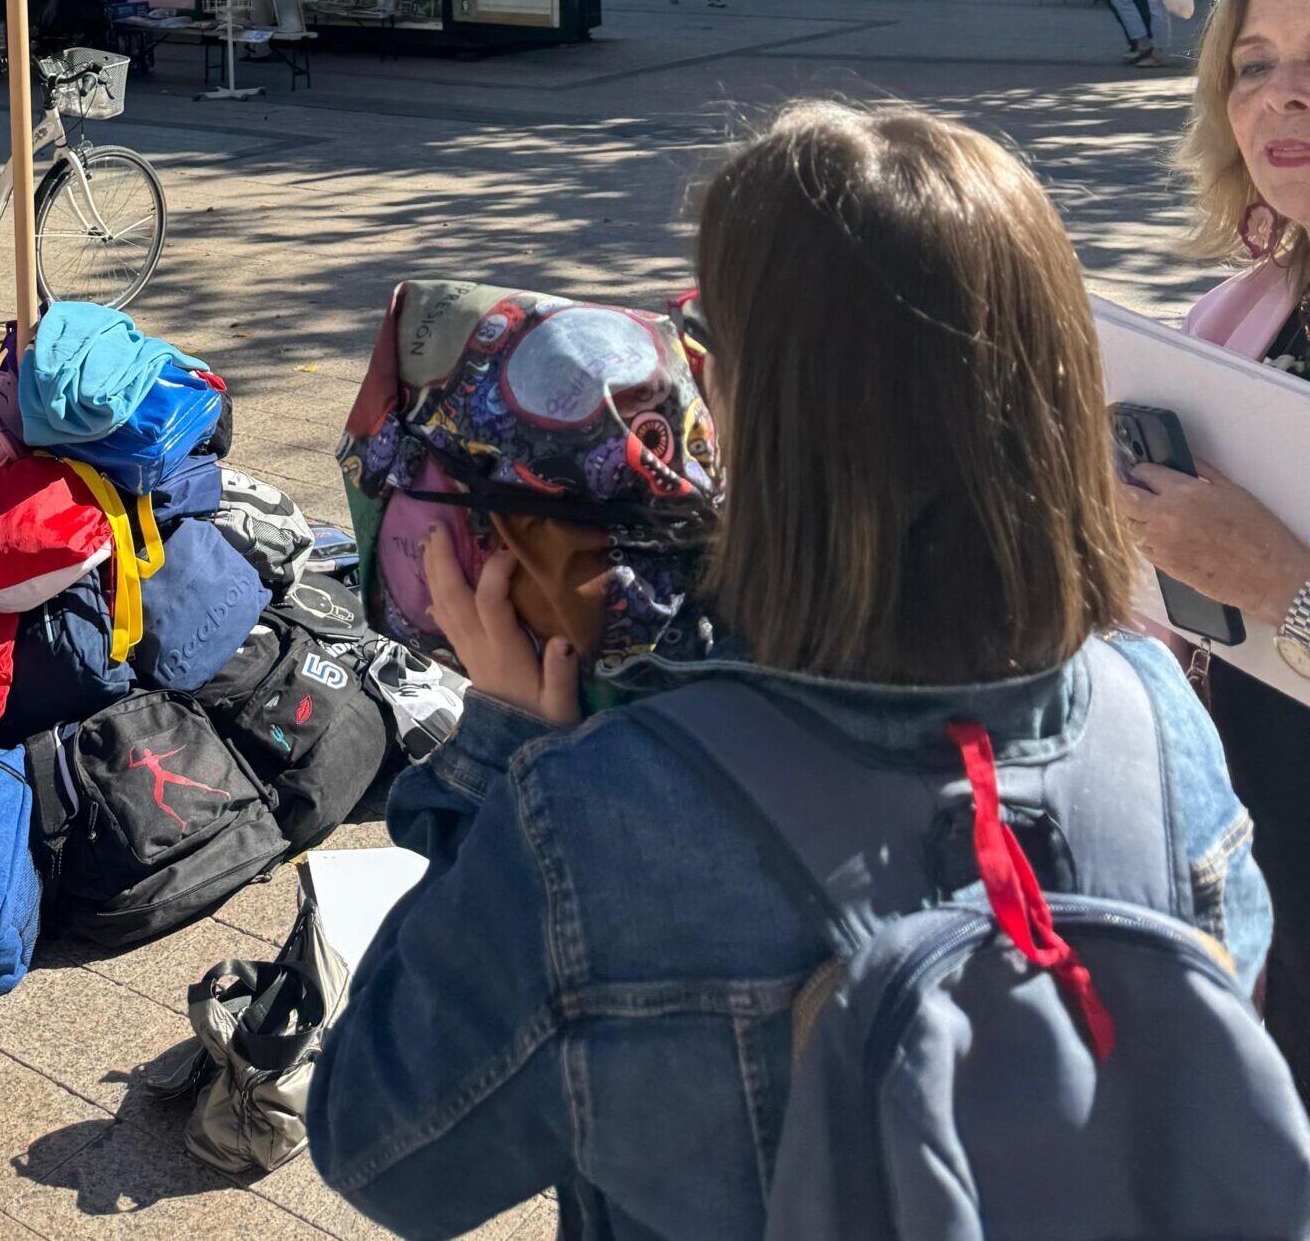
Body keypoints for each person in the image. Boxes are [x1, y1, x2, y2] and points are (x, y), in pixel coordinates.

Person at [308, 102, 1271, 1241]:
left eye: (714, 345)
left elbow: (383, 1147)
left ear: (762, 417)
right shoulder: (1161, 720)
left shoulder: (597, 816)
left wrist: (500, 753)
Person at [1125, 0, 1310, 1102]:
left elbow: (1266, 589)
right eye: (1254, 61)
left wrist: (1283, 587)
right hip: (1267, 878)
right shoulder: (1230, 322)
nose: (1282, 92)